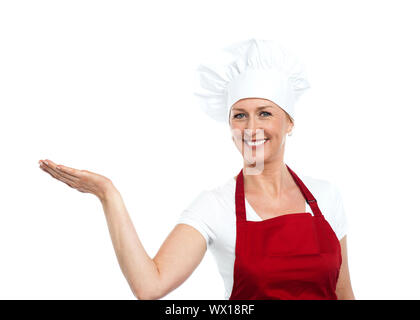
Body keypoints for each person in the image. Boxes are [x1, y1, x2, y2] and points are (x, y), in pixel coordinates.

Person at [38, 38, 355, 300]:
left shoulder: (327, 197)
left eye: (265, 113)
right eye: (239, 116)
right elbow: (150, 285)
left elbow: (344, 295)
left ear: (289, 123)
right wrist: (108, 195)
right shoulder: (215, 206)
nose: (251, 127)